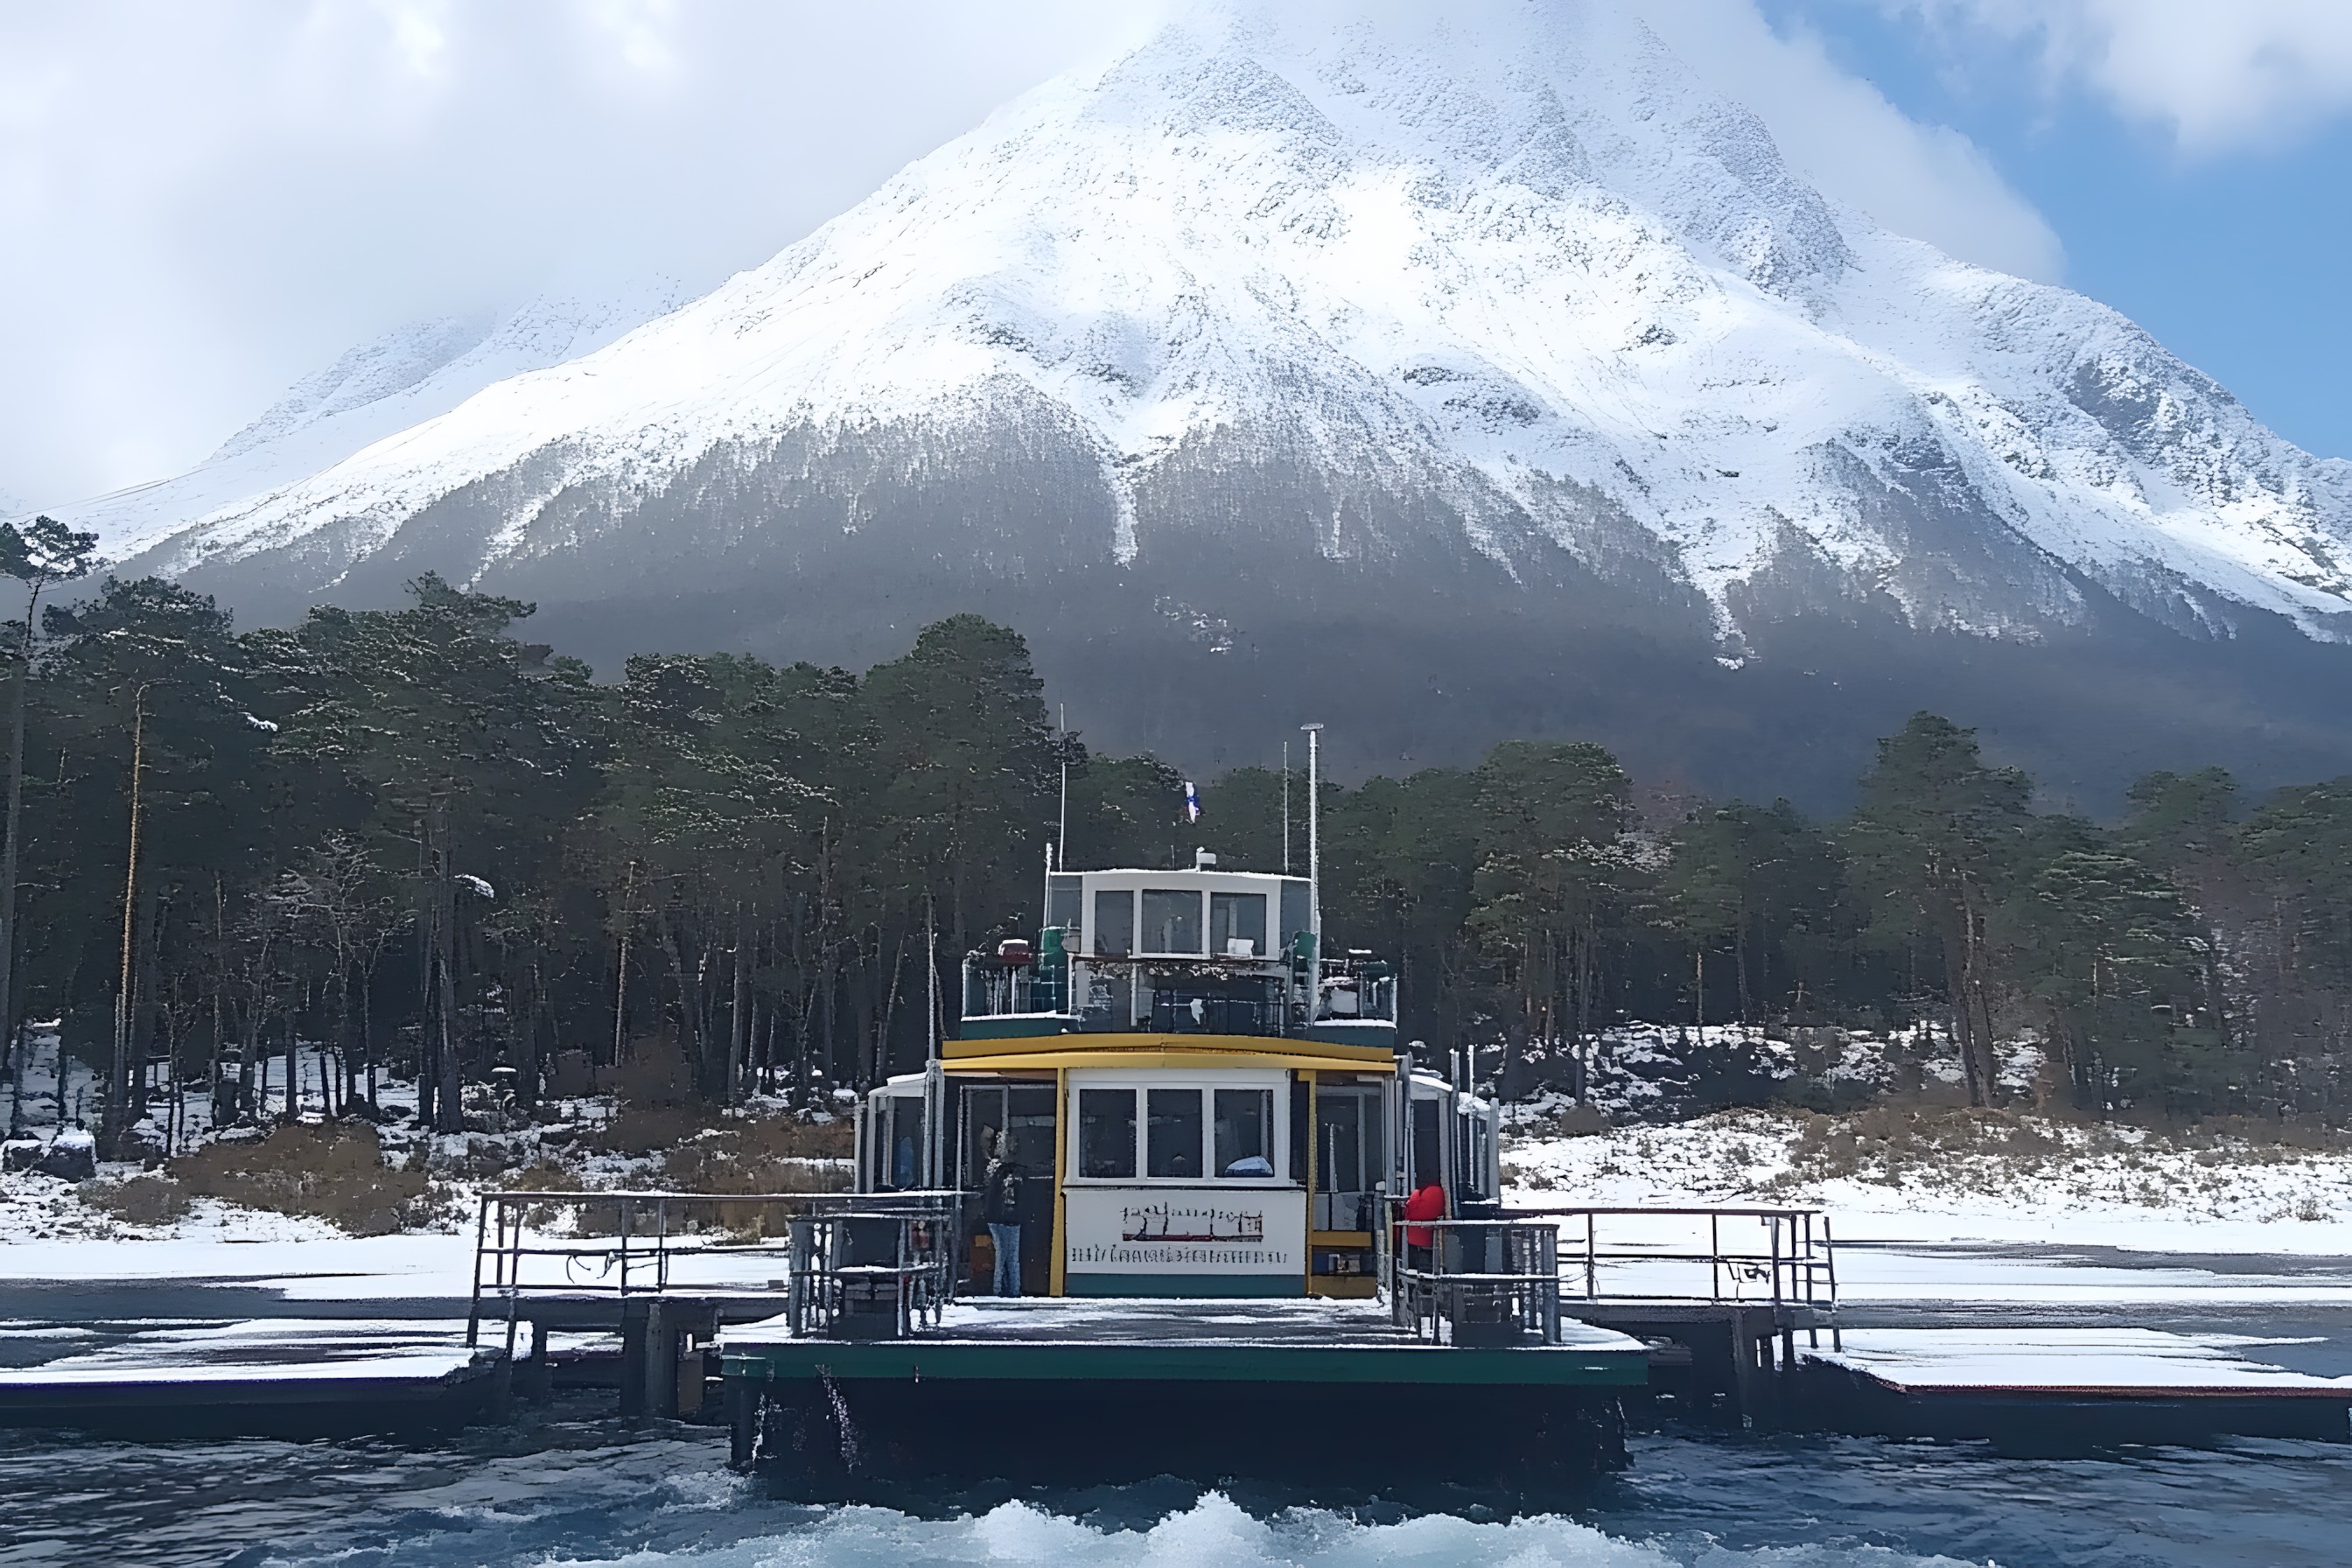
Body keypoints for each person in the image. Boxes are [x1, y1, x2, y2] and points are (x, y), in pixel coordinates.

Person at [982, 1130, 1026, 1297]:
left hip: (997, 1218)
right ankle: (1014, 1289)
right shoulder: (1018, 1173)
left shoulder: (997, 1173)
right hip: (1012, 1219)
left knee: (1001, 1256)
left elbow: (991, 1195)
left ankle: (998, 1289)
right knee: (1012, 1258)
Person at [1402, 1169, 1446, 1272]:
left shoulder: (1419, 1195)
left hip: (1418, 1239)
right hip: (1436, 1240)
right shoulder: (1440, 1193)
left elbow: (1413, 1213)